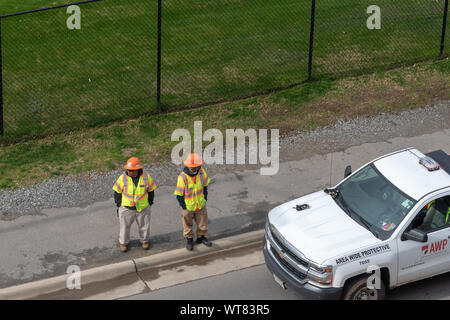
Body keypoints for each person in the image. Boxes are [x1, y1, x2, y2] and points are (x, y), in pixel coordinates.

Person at [112, 157, 157, 252]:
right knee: (124, 227)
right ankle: (123, 243)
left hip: (143, 207)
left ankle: (144, 241)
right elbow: (117, 192)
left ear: (138, 169)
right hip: (127, 208)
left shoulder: (146, 177)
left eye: (132, 170)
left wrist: (150, 202)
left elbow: (151, 190)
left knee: (144, 226)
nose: (129, 172)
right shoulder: (122, 178)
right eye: (128, 170)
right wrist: (119, 204)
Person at [174, 153, 212, 251]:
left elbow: (205, 186)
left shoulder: (202, 173)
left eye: (197, 166)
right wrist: (183, 206)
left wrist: (205, 198)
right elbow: (179, 194)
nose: (196, 168)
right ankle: (189, 239)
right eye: (194, 167)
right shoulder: (182, 177)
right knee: (187, 223)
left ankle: (201, 237)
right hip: (188, 207)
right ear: (189, 166)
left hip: (200, 204)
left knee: (202, 221)